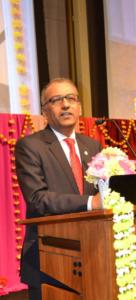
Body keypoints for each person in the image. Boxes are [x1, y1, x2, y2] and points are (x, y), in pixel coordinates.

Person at [15, 78, 103, 300]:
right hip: (50, 258)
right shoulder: (31, 146)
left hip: (93, 253)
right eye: (56, 100)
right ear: (45, 111)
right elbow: (37, 198)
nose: (65, 105)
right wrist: (91, 203)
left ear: (79, 107)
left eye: (71, 98)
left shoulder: (92, 146)